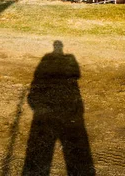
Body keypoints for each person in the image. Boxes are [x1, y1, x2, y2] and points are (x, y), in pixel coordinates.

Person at [22, 41, 95, 176]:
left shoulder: (49, 58)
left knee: (42, 147)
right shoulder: (67, 58)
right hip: (69, 106)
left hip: (52, 107)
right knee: (74, 146)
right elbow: (77, 74)